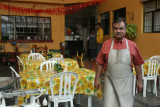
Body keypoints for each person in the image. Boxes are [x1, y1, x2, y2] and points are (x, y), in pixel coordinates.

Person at [94, 18, 144, 107]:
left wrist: (140, 81)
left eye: (121, 28)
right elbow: (100, 63)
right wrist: (96, 79)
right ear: (113, 30)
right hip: (110, 82)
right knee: (109, 105)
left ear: (125, 30)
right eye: (115, 28)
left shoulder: (132, 45)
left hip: (126, 83)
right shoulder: (106, 44)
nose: (118, 31)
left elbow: (138, 64)